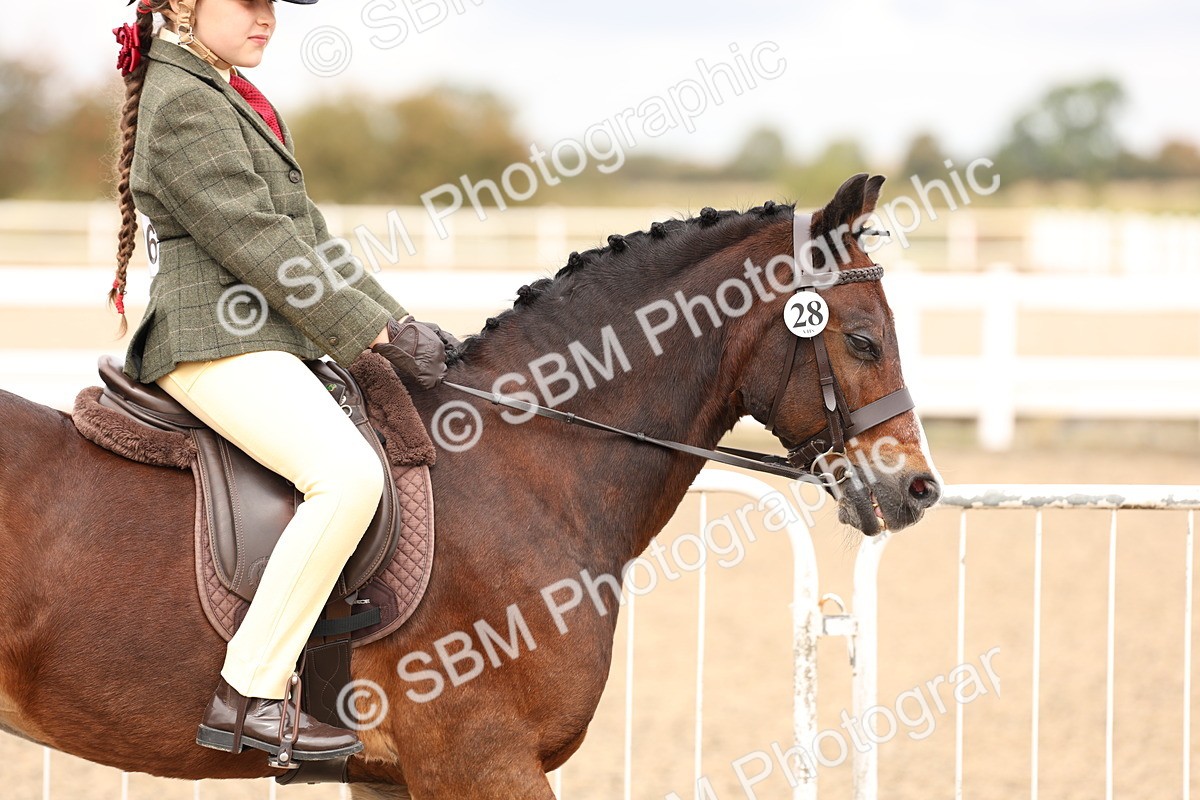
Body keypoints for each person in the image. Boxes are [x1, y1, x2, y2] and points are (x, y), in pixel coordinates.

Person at [108, 0, 450, 768]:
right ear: (186, 4)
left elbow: (307, 235)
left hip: (260, 335)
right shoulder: (184, 101)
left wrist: (400, 323)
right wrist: (374, 334)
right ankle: (249, 692)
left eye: (272, 4)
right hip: (211, 339)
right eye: (248, 1)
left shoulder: (227, 90)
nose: (267, 17)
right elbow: (258, 244)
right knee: (345, 476)